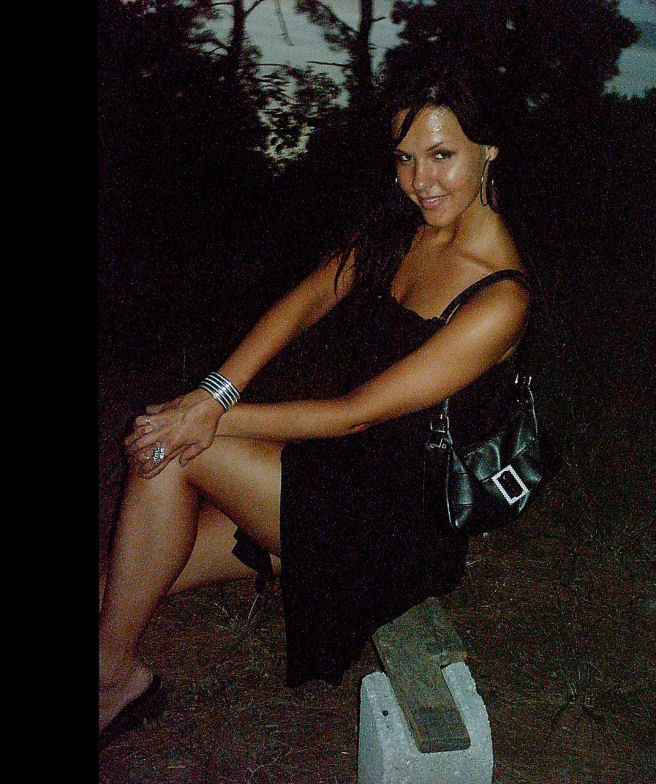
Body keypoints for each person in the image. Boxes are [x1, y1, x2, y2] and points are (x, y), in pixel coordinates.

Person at [98, 55, 532, 742]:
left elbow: (354, 412)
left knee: (174, 449)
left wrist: (209, 418)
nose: (421, 181)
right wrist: (214, 391)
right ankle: (122, 670)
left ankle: (112, 679)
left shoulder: (499, 297)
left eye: (442, 155)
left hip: (393, 525)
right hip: (335, 476)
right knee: (119, 581)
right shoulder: (408, 227)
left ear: (489, 150)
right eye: (406, 159)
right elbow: (306, 300)